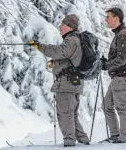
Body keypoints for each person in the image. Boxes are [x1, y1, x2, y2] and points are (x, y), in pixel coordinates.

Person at [29, 14, 90, 147]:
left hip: (67, 84)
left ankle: (69, 142)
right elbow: (69, 58)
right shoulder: (75, 40)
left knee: (65, 114)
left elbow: (59, 51)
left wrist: (40, 46)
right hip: (73, 82)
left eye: (63, 25)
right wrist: (56, 63)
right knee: (71, 114)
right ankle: (83, 140)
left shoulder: (71, 40)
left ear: (69, 27)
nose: (60, 27)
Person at [100, 7, 126, 143]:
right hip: (118, 77)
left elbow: (122, 59)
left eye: (108, 17)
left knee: (122, 107)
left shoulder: (123, 35)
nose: (106, 20)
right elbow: (120, 57)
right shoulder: (119, 34)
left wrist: (106, 65)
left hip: (122, 77)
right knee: (107, 106)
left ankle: (124, 137)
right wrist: (107, 62)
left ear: (117, 18)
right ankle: (115, 135)